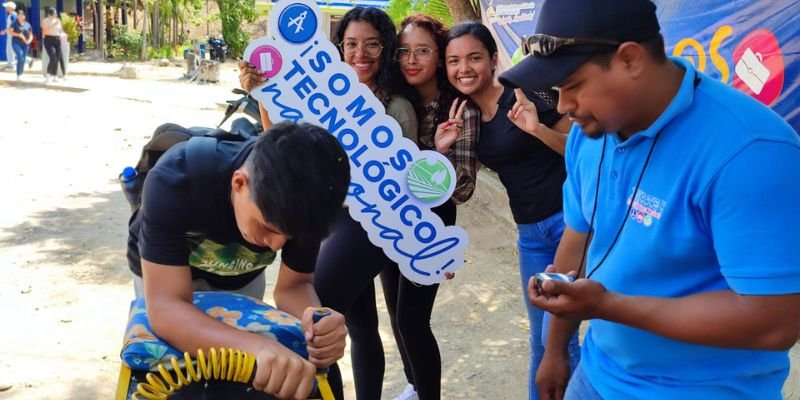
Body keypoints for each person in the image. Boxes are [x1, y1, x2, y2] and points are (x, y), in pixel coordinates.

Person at [497, 0, 800, 399]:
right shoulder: (591, 136)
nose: (565, 107)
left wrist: (608, 306)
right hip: (596, 373)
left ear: (630, 59)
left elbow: (774, 322)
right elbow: (577, 242)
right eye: (555, 90)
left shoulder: (750, 151)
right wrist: (553, 352)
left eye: (572, 86)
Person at [239, 8, 418, 399]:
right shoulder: (320, 97)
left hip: (369, 227)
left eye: (372, 43)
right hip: (327, 224)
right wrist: (263, 94)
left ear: (386, 48)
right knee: (360, 324)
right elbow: (281, 147)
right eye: (351, 43)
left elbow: (408, 185)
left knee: (318, 320)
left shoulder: (398, 107)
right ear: (339, 48)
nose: (361, 53)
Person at [126, 121, 351, 400]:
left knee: (233, 378)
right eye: (268, 227)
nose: (277, 244)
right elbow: (167, 306)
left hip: (240, 274)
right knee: (181, 370)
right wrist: (254, 346)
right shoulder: (175, 179)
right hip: (166, 271)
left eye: (290, 236)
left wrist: (318, 323)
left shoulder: (302, 202)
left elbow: (293, 287)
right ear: (239, 183)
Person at [441, 21, 580, 400]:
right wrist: (443, 149)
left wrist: (537, 130)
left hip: (573, 224)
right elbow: (456, 186)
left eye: (474, 57)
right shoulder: (463, 116)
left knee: (565, 339)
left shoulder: (525, 93)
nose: (464, 68)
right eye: (454, 61)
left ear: (492, 59)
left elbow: (581, 152)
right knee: (542, 341)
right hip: (531, 235)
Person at [383, 14, 479, 400]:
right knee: (394, 313)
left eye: (423, 51)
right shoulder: (391, 100)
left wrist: (435, 155)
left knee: (412, 320)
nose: (412, 59)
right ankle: (414, 384)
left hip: (431, 224)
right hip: (392, 214)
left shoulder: (459, 109)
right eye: (404, 51)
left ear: (438, 57)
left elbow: (464, 189)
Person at [42, 7, 66, 83]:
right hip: (49, 39)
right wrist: (53, 25)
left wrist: (64, 37)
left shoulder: (58, 21)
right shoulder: (45, 21)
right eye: (53, 14)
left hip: (57, 39)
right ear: (49, 14)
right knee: (53, 57)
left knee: (57, 58)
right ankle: (48, 75)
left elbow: (61, 30)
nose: (55, 15)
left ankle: (54, 76)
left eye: (55, 14)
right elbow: (45, 32)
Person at [7, 8, 31, 81]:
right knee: (20, 57)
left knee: (23, 59)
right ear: (17, 16)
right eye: (19, 15)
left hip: (25, 44)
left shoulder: (27, 24)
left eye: (22, 15)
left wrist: (29, 41)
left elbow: (31, 34)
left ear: (24, 16)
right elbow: (10, 32)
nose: (21, 16)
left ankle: (21, 73)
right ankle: (18, 74)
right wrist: (18, 35)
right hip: (16, 42)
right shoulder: (14, 23)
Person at [1, 1, 16, 69]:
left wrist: (4, 31)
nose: (6, 8)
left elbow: (13, 27)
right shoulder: (10, 15)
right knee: (8, 50)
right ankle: (10, 63)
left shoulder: (13, 15)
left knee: (12, 50)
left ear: (10, 8)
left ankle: (12, 64)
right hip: (10, 35)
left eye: (7, 7)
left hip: (12, 36)